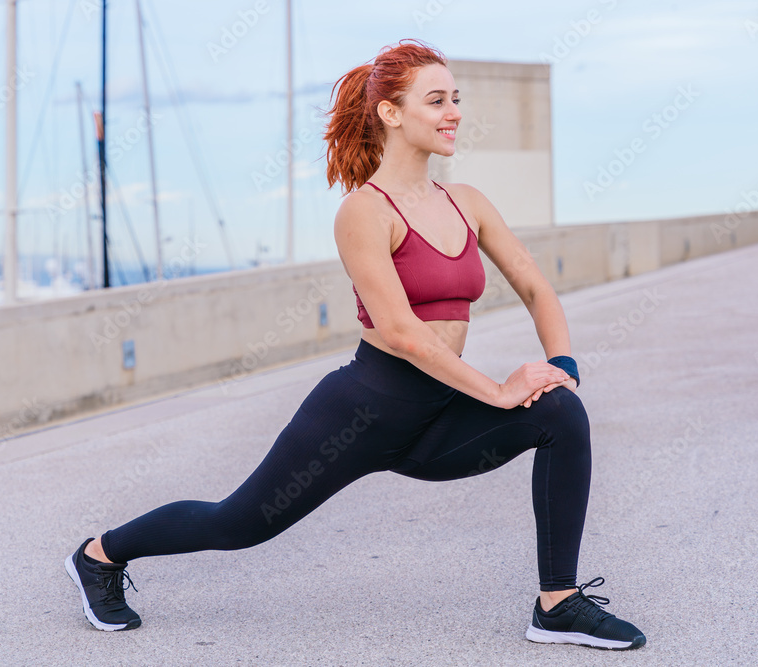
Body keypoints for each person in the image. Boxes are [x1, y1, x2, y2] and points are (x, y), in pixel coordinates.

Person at [65, 38, 646, 651]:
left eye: (456, 99)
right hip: (363, 410)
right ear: (392, 114)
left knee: (561, 412)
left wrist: (562, 366)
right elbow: (399, 331)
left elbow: (534, 284)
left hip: (439, 416)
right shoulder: (364, 212)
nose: (453, 112)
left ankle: (556, 603)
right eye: (436, 100)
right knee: (238, 522)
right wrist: (500, 391)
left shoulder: (468, 203)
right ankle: (99, 555)